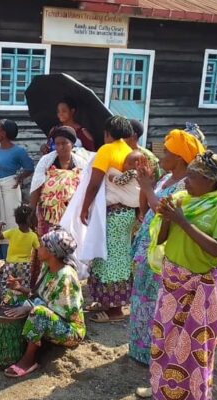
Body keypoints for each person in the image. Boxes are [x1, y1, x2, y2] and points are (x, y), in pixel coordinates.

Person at [147, 151, 217, 400]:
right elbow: (163, 238)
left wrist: (181, 220)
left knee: (195, 345)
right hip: (172, 281)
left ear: (212, 180)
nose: (187, 181)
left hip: (200, 284)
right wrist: (167, 218)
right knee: (165, 339)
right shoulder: (183, 199)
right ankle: (165, 391)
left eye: (193, 176)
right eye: (188, 175)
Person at [129, 129, 204, 365]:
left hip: (161, 250)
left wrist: (148, 188)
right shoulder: (166, 178)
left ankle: (153, 354)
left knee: (153, 299)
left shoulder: (186, 185)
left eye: (167, 152)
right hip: (148, 244)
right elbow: (149, 207)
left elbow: (163, 211)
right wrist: (147, 184)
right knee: (141, 296)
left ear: (180, 158)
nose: (161, 156)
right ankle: (139, 349)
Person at [2, 228, 85, 378]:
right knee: (11, 295)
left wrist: (29, 308)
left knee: (39, 312)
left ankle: (29, 360)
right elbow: (38, 294)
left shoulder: (66, 276)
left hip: (70, 330)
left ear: (51, 251)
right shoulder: (48, 266)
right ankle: (21, 341)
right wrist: (18, 288)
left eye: (41, 246)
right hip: (51, 318)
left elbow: (68, 314)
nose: (38, 249)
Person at [79, 116, 137, 323]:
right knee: (114, 256)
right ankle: (107, 302)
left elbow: (94, 184)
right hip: (127, 213)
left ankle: (115, 310)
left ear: (107, 133)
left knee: (110, 258)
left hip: (113, 213)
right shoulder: (128, 151)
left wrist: (84, 207)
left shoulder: (107, 150)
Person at [0, 119, 34, 260]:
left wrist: (19, 178)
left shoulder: (18, 151)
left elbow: (29, 167)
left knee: (9, 220)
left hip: (9, 189)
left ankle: (9, 254)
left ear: (3, 134)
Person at [30, 126, 89, 236]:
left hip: (71, 212)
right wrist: (31, 211)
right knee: (47, 243)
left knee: (69, 243)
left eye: (64, 143)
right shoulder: (46, 161)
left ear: (72, 144)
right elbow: (37, 185)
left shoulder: (81, 164)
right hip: (48, 213)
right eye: (57, 144)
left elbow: (85, 188)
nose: (60, 147)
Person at [0, 205, 40, 304]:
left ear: (16, 220)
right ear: (30, 221)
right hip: (25, 265)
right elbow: (38, 249)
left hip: (10, 263)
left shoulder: (12, 232)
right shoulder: (33, 236)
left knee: (8, 283)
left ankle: (6, 302)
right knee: (22, 285)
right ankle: (21, 303)